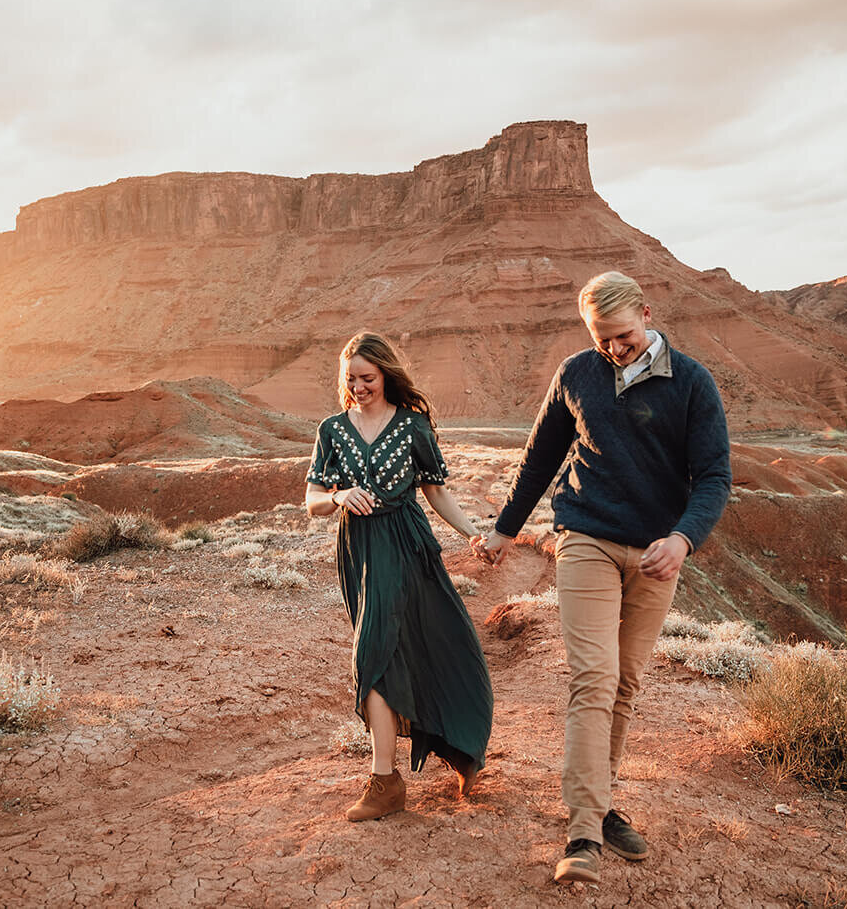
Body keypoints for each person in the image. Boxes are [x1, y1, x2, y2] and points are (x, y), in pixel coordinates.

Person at [475, 271, 731, 885]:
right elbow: (541, 456)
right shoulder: (577, 373)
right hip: (585, 537)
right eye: (601, 339)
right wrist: (506, 528)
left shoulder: (692, 382)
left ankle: (604, 799)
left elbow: (715, 476)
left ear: (646, 313)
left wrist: (682, 537)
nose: (613, 349)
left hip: (655, 551)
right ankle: (584, 829)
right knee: (595, 677)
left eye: (622, 335)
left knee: (626, 682)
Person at [305, 331, 494, 822]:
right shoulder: (331, 430)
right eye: (351, 379)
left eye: (367, 378)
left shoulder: (413, 427)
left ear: (385, 374)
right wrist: (340, 496)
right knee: (387, 654)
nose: (359, 387)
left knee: (379, 654)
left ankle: (386, 781)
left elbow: (437, 493)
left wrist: (474, 533)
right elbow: (312, 502)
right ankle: (447, 753)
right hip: (359, 551)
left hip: (406, 546)